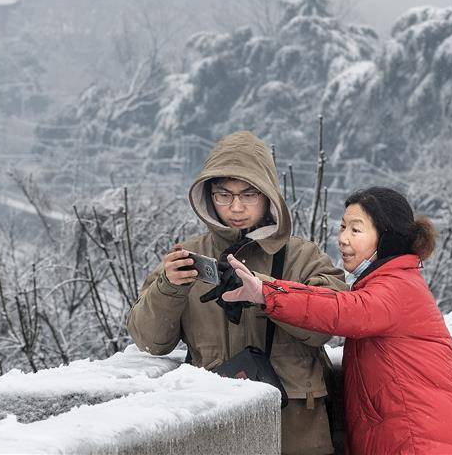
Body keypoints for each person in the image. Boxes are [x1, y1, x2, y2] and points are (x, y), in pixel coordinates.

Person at [126, 131, 347, 455]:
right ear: (208, 197)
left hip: (297, 429)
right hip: (216, 425)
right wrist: (168, 287)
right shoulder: (187, 258)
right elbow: (151, 341)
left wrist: (265, 292)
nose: (236, 207)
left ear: (269, 195)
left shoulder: (303, 257)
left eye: (249, 194)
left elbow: (328, 325)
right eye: (223, 195)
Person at [222, 186, 452, 455]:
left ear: (386, 239)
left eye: (356, 230)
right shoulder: (391, 281)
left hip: (426, 442)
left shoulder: (397, 287)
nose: (343, 239)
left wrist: (266, 292)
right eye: (342, 227)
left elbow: (341, 310)